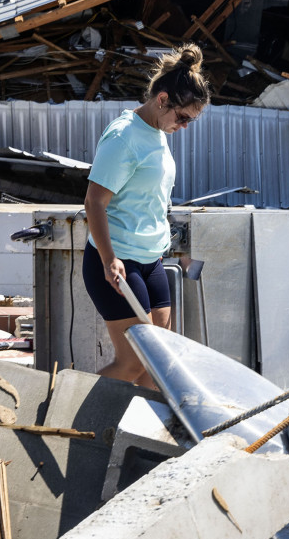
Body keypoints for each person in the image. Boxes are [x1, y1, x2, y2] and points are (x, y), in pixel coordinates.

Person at [82, 43, 210, 387]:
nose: (183, 127)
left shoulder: (156, 131)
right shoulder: (124, 136)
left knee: (159, 362)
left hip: (150, 259)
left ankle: (143, 438)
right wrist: (109, 260)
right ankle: (69, 410)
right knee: (134, 362)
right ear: (162, 99)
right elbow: (94, 201)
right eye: (183, 118)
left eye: (191, 122)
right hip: (116, 262)